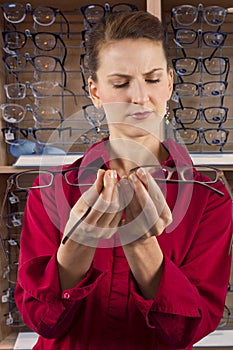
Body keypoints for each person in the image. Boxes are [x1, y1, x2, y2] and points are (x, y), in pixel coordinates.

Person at [15, 10, 232, 350]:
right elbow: (42, 321)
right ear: (95, 91)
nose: (139, 97)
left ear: (171, 83)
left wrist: (142, 244)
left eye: (153, 79)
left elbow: (187, 331)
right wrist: (78, 245)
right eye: (120, 83)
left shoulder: (210, 198)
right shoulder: (51, 190)